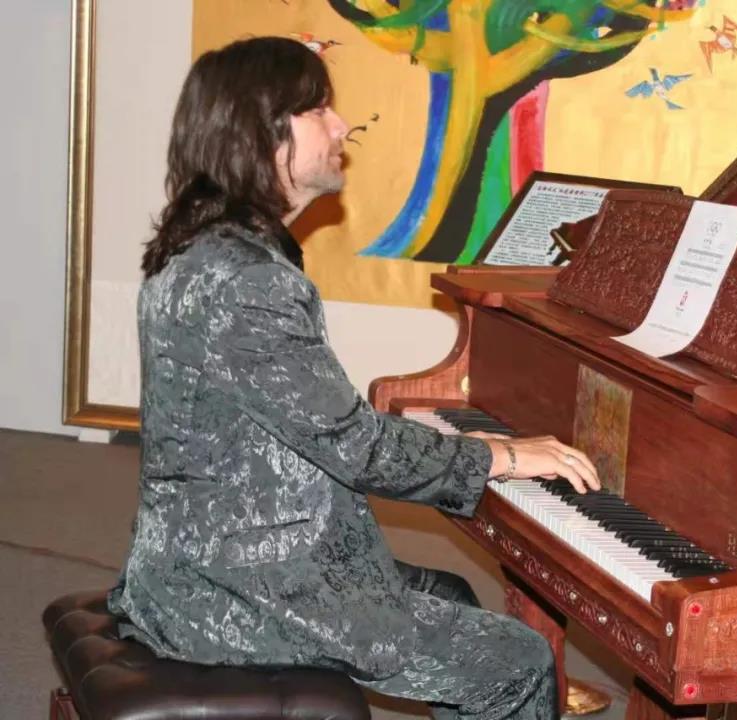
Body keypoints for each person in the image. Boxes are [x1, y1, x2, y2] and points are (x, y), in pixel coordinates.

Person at [107, 36, 600, 720]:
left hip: (202, 558)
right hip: (235, 593)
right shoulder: (248, 281)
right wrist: (503, 455)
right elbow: (357, 448)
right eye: (317, 109)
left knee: (451, 593)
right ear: (262, 132)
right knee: (517, 661)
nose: (341, 126)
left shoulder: (203, 250)